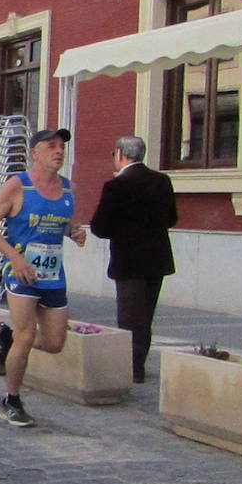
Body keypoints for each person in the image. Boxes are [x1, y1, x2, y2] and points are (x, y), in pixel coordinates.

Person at [0, 129, 87, 428]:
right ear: (34, 153)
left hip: (53, 274)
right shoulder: (18, 186)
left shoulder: (66, 189)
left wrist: (76, 233)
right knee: (26, 335)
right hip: (21, 272)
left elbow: (66, 226)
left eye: (62, 146)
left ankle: (6, 336)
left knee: (54, 342)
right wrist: (14, 257)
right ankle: (11, 400)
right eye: (51, 146)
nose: (59, 151)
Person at [89, 135, 177, 384]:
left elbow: (100, 226)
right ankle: (138, 363)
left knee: (129, 317)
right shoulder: (162, 181)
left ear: (119, 153)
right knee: (146, 316)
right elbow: (172, 218)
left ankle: (131, 368)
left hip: (128, 260)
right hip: (157, 258)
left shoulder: (116, 186)